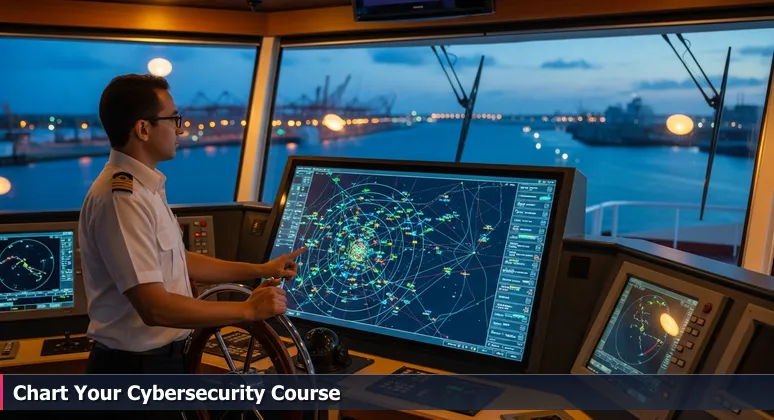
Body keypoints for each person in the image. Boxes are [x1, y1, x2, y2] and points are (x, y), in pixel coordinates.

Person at [78, 74, 307, 379]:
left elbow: (182, 261)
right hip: (138, 370)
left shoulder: (146, 189)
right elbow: (154, 308)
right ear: (143, 129)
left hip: (162, 362)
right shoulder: (123, 198)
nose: (180, 128)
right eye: (174, 119)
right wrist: (248, 310)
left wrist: (261, 269)